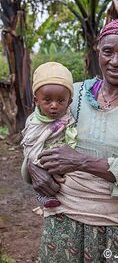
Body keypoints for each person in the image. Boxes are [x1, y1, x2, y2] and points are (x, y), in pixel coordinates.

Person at [25, 18, 118, 263]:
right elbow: (37, 131)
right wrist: (32, 167)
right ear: (98, 51)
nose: (115, 61)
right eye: (108, 51)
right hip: (65, 222)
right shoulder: (70, 94)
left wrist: (81, 162)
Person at [21, 62, 77, 208]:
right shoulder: (34, 122)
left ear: (69, 102)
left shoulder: (68, 118)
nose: (54, 105)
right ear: (36, 101)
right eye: (47, 100)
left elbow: (71, 136)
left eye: (60, 101)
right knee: (44, 180)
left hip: (61, 157)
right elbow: (30, 144)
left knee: (61, 182)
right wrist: (37, 162)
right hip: (40, 158)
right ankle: (43, 196)